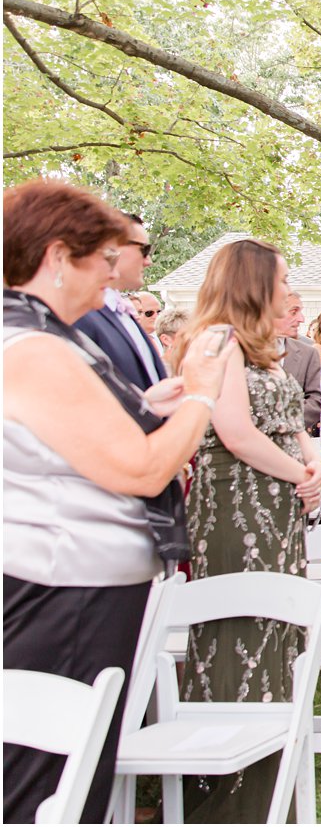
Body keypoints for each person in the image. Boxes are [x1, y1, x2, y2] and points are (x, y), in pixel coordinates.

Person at [3, 180, 234, 824]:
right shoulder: (36, 348)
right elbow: (141, 468)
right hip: (68, 589)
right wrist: (202, 397)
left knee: (76, 772)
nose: (112, 274)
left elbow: (76, 436)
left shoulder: (48, 335)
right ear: (56, 258)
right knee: (52, 783)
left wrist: (144, 405)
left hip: (81, 583)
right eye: (103, 259)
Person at [166, 238, 321, 821]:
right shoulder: (215, 343)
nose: (288, 290)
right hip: (237, 504)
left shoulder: (260, 348)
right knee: (240, 626)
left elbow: (283, 422)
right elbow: (233, 431)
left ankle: (273, 774)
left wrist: (309, 468)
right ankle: (228, 794)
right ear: (252, 284)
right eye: (281, 280)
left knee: (278, 625)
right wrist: (301, 476)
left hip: (277, 502)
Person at [74, 212, 167, 392]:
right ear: (111, 247)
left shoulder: (122, 311)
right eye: (144, 250)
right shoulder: (82, 315)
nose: (149, 261)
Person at [277, 293, 321, 436]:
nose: (302, 319)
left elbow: (317, 398)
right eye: (293, 312)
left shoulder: (308, 353)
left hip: (295, 440)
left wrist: (287, 425)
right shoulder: (239, 352)